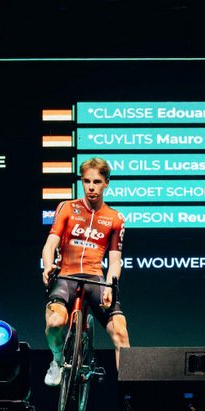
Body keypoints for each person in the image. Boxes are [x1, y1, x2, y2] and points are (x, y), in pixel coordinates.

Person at [42, 157, 130, 386]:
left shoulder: (115, 218)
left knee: (121, 333)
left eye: (97, 182)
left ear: (106, 183)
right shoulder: (67, 207)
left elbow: (115, 261)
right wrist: (48, 265)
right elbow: (50, 245)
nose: (91, 187)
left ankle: (129, 392)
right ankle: (57, 360)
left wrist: (111, 285)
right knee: (55, 323)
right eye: (86, 181)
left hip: (96, 280)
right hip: (65, 277)